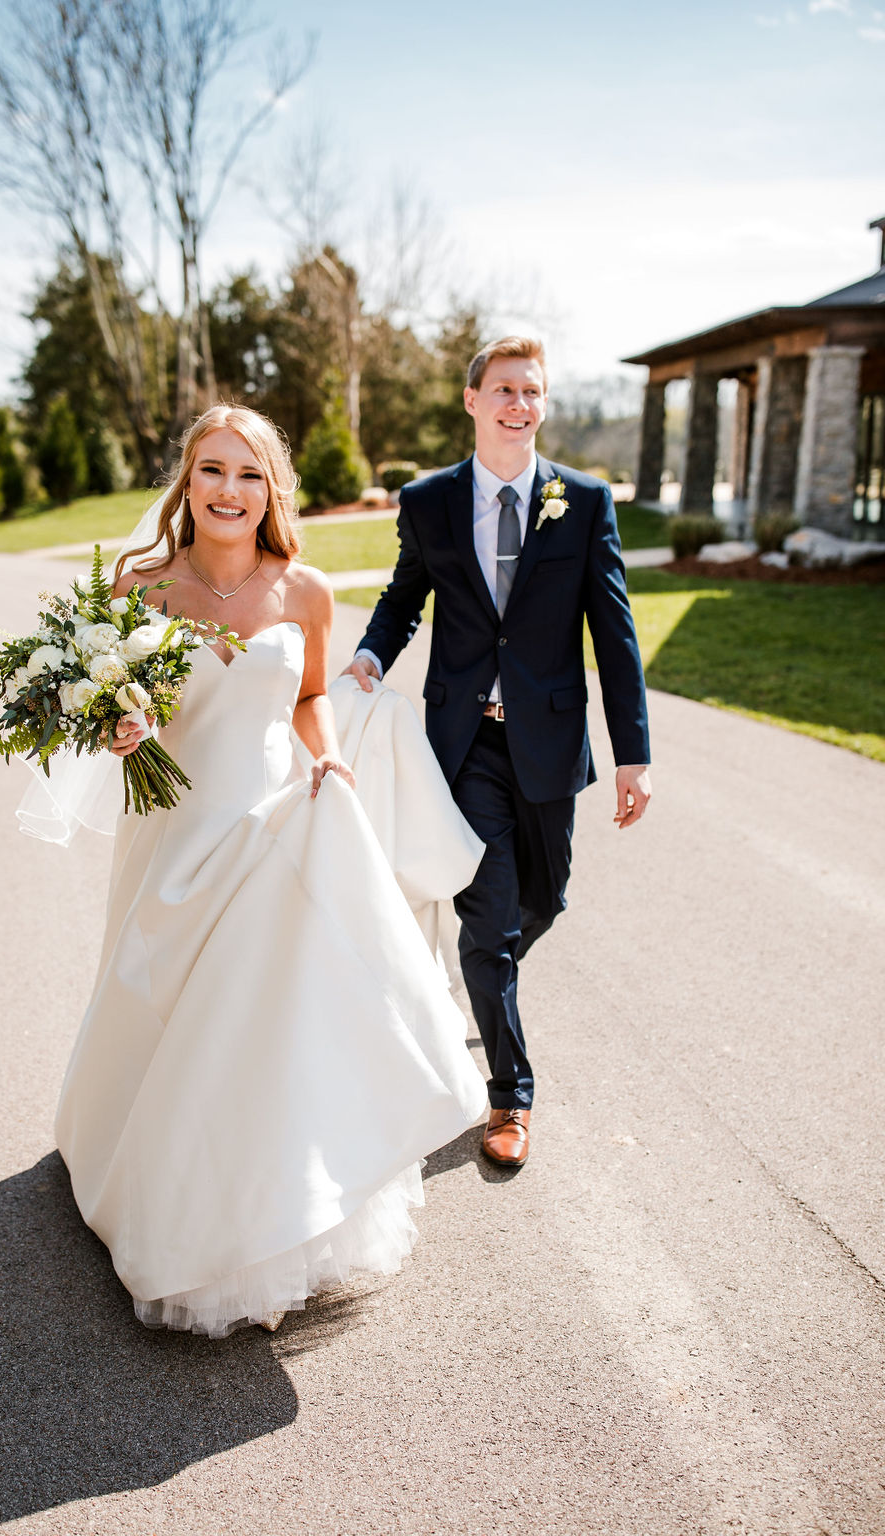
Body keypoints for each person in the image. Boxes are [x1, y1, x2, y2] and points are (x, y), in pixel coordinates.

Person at [54, 404, 487, 1337]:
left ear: (272, 489)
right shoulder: (138, 587)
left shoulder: (305, 592)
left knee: (256, 1017)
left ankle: (254, 1202)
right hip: (170, 827)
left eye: (249, 475)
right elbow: (113, 711)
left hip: (265, 823)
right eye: (212, 470)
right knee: (151, 994)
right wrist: (120, 728)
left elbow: (309, 697)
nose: (229, 491)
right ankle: (128, 1154)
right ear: (187, 480)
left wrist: (327, 756)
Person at [344, 337, 651, 1169]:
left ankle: (488, 977)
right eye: (505, 388)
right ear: (473, 399)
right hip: (465, 739)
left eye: (533, 391)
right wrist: (371, 655)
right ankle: (509, 1098)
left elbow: (614, 631)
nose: (520, 403)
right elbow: (404, 596)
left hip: (550, 742)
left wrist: (633, 752)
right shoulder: (431, 499)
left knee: (542, 903)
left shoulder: (582, 501)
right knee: (487, 921)